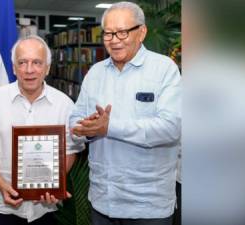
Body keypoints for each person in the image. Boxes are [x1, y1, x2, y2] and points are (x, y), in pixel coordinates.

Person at [69, 2, 181, 225]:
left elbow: (171, 128)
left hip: (147, 206)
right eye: (108, 33)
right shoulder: (95, 73)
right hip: (102, 200)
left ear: (142, 32)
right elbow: (74, 122)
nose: (114, 40)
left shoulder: (164, 70)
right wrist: (87, 129)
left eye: (122, 32)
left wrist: (109, 127)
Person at [0, 35, 84, 225]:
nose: (29, 70)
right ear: (14, 67)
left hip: (45, 210)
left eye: (37, 63)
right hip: (1, 208)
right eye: (22, 62)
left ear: (47, 68)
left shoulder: (64, 104)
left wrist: (54, 183)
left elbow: (70, 150)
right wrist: (2, 185)